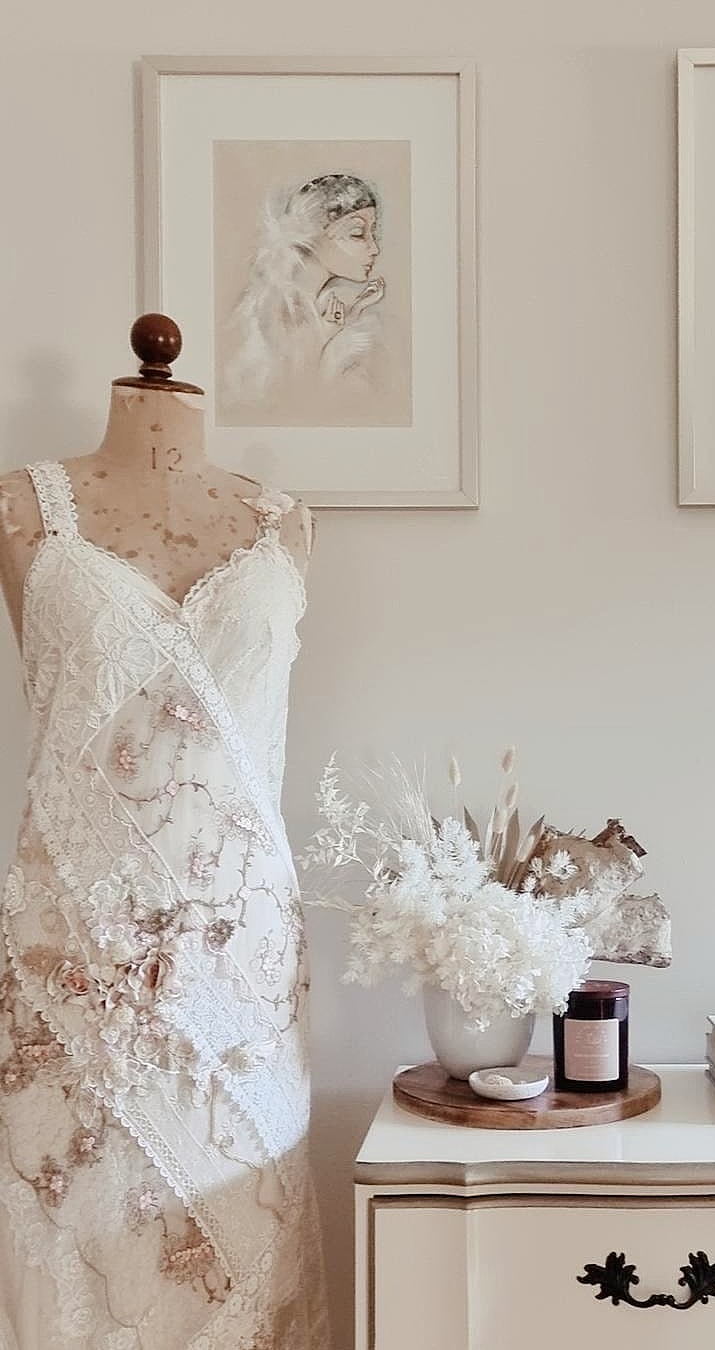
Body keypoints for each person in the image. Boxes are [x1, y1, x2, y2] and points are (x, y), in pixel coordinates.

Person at [0, 351, 330, 1348]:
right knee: (82, 1246)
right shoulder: (25, 506)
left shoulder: (286, 522)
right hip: (75, 961)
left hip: (245, 971)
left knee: (245, 1247)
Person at [224, 171, 386, 405]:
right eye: (358, 233)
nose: (374, 248)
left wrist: (351, 316)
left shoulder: (319, 307)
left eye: (373, 232)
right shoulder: (280, 316)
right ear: (312, 234)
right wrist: (333, 349)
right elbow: (296, 400)